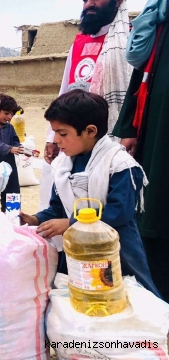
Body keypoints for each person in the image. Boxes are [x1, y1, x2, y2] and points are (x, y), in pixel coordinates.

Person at [20, 90, 160, 298]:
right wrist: (35, 219)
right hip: (77, 253)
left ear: (90, 131)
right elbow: (58, 207)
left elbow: (118, 213)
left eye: (63, 133)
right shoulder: (63, 166)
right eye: (54, 133)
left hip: (118, 253)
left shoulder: (120, 166)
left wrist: (71, 224)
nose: (56, 140)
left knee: (131, 304)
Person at [40, 0, 132, 210]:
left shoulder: (130, 39)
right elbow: (65, 88)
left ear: (117, 2)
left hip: (110, 135)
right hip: (73, 133)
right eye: (84, 0)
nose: (88, 4)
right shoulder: (79, 41)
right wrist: (50, 137)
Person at [114, 0, 169, 300]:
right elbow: (141, 74)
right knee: (155, 210)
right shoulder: (158, 19)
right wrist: (128, 128)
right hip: (157, 132)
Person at [0, 94, 23, 212]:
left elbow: (15, 140)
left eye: (12, 114)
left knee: (12, 192)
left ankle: (12, 218)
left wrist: (20, 148)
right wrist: (9, 149)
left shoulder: (10, 128)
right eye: (6, 113)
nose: (9, 117)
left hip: (9, 164)